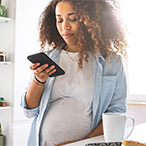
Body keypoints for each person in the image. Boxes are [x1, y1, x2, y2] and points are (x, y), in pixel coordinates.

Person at [21, 0, 128, 146]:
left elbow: (116, 114)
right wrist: (39, 80)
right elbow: (29, 111)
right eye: (59, 20)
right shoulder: (48, 59)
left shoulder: (111, 62)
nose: (64, 27)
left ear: (91, 20)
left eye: (73, 18)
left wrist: (82, 144)